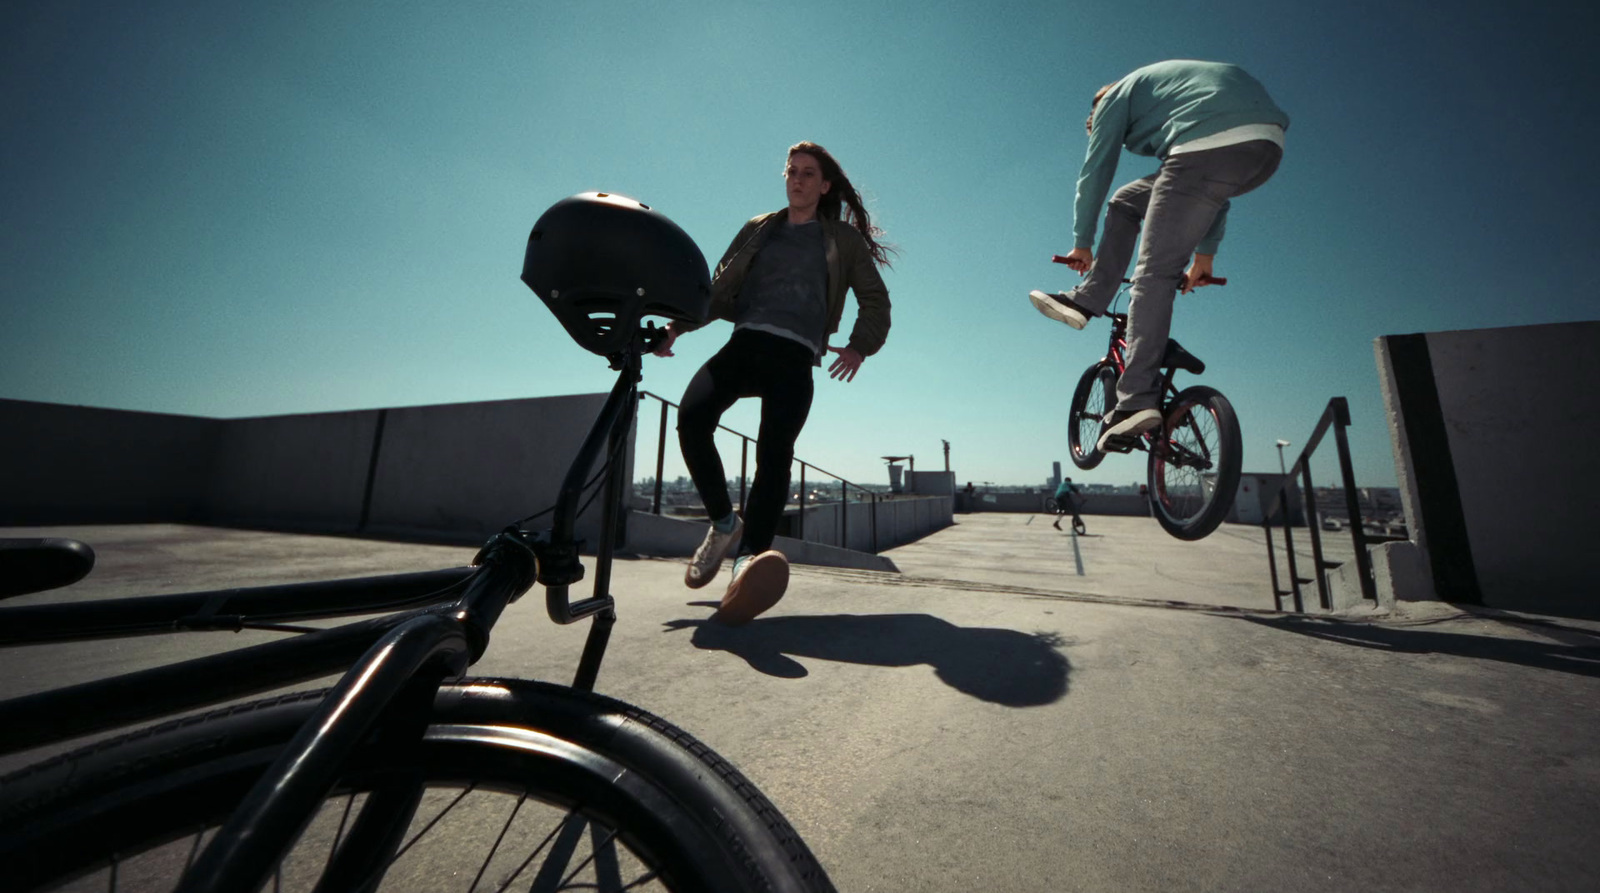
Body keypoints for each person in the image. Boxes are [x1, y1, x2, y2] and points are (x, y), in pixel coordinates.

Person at [653, 141, 893, 625]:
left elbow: (875, 299)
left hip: (795, 356)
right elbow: (717, 290)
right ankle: (723, 524)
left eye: (808, 174)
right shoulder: (759, 229)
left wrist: (859, 346)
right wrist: (676, 326)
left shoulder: (841, 240)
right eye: (792, 172)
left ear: (824, 186)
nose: (798, 180)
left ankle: (749, 562)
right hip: (746, 344)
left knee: (774, 453)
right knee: (692, 417)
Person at [1030, 60, 1288, 450]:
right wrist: (1205, 256)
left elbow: (1095, 169)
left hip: (1205, 147)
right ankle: (1088, 298)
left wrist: (1082, 242)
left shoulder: (1114, 98)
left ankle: (1134, 400)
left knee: (1153, 275)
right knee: (1126, 202)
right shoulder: (1171, 91)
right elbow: (1209, 193)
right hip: (1264, 150)